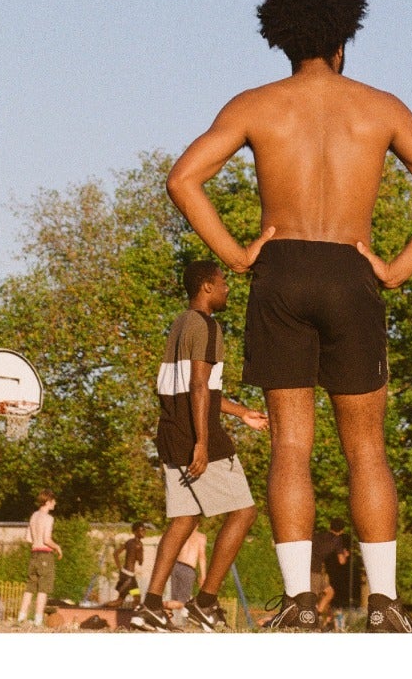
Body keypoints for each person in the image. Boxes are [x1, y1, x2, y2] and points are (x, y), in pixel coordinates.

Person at [167, 0, 412, 633]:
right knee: (367, 449)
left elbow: (184, 178)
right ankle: (386, 605)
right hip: (351, 270)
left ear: (283, 41)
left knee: (291, 449)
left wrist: (239, 255)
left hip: (282, 271)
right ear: (343, 42)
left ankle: (300, 603)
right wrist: (394, 271)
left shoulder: (255, 105)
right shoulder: (380, 107)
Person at [128, 260, 269, 632]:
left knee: (185, 519)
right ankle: (205, 602)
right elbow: (198, 387)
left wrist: (240, 413)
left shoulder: (179, 324)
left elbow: (197, 387)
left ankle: (151, 606)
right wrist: (203, 443)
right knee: (244, 513)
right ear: (206, 286)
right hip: (195, 433)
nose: (227, 289)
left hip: (171, 430)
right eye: (223, 283)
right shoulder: (207, 326)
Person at [18, 493, 63, 626]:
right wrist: (58, 547)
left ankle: (21, 616)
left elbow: (28, 538)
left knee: (30, 587)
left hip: (34, 555)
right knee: (43, 589)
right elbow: (46, 539)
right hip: (45, 555)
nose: (55, 503)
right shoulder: (48, 518)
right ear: (48, 501)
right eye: (54, 501)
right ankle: (38, 619)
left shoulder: (33, 516)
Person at [311, 520, 349, 622]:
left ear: (330, 526)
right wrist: (345, 555)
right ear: (342, 530)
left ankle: (318, 614)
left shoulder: (318, 536)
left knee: (329, 592)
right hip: (314, 570)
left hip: (310, 567)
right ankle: (313, 617)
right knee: (313, 596)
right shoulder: (337, 540)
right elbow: (341, 561)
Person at [110, 522, 146, 604]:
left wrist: (120, 568)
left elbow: (115, 554)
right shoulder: (139, 545)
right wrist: (140, 555)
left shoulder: (129, 542)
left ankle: (105, 608)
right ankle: (105, 609)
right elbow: (140, 562)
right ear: (135, 532)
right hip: (129, 577)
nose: (144, 532)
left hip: (125, 574)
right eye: (141, 530)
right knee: (135, 599)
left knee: (124, 599)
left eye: (144, 530)